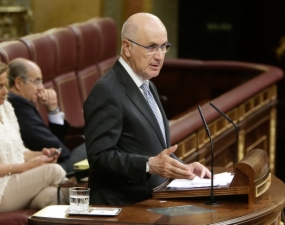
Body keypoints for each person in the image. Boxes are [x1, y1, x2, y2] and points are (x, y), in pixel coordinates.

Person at [84, 13, 211, 205]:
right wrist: (149, 165)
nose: (159, 56)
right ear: (127, 47)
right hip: (123, 207)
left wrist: (183, 169)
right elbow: (99, 158)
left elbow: (155, 148)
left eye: (164, 47)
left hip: (152, 199)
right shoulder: (106, 91)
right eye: (151, 47)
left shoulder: (147, 84)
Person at [0, 61, 67, 212]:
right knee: (54, 171)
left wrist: (41, 155)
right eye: (0, 86)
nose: (5, 91)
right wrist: (26, 167)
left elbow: (19, 151)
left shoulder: (6, 108)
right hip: (2, 188)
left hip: (17, 180)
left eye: (5, 85)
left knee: (53, 196)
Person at [7, 58, 86, 173]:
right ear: (19, 83)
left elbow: (56, 145)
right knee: (103, 144)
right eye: (37, 81)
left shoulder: (20, 103)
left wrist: (52, 109)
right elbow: (58, 149)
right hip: (48, 170)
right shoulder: (17, 105)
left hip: (53, 165)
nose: (41, 87)